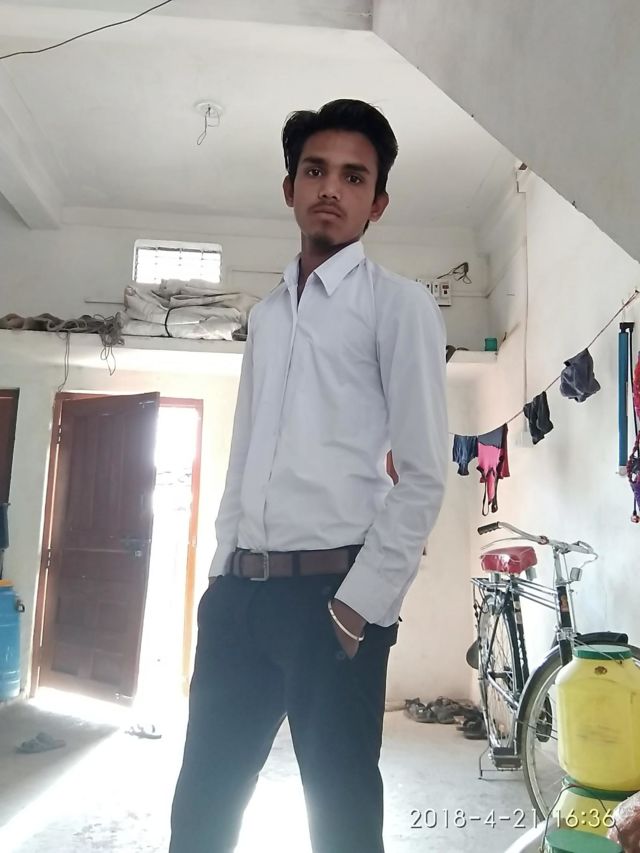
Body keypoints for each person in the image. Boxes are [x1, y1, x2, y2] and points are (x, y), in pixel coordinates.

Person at [169, 98, 448, 853]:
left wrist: (357, 608)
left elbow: (425, 473)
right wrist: (220, 577)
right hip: (240, 600)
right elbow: (245, 454)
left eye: (354, 177)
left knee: (342, 821)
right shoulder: (266, 316)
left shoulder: (399, 307)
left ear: (377, 203)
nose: (332, 188)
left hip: (333, 602)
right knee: (201, 810)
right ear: (289, 187)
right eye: (316, 170)